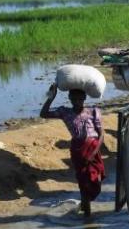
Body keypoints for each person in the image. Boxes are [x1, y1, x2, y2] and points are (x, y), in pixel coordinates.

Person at [40, 86, 105, 218]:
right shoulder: (65, 112)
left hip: (93, 150)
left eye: (80, 98)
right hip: (78, 151)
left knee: (95, 183)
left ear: (84, 98)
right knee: (83, 183)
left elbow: (101, 135)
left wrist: (92, 155)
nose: (77, 101)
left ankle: (85, 205)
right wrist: (51, 97)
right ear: (69, 98)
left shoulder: (93, 111)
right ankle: (87, 215)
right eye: (74, 98)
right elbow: (43, 114)